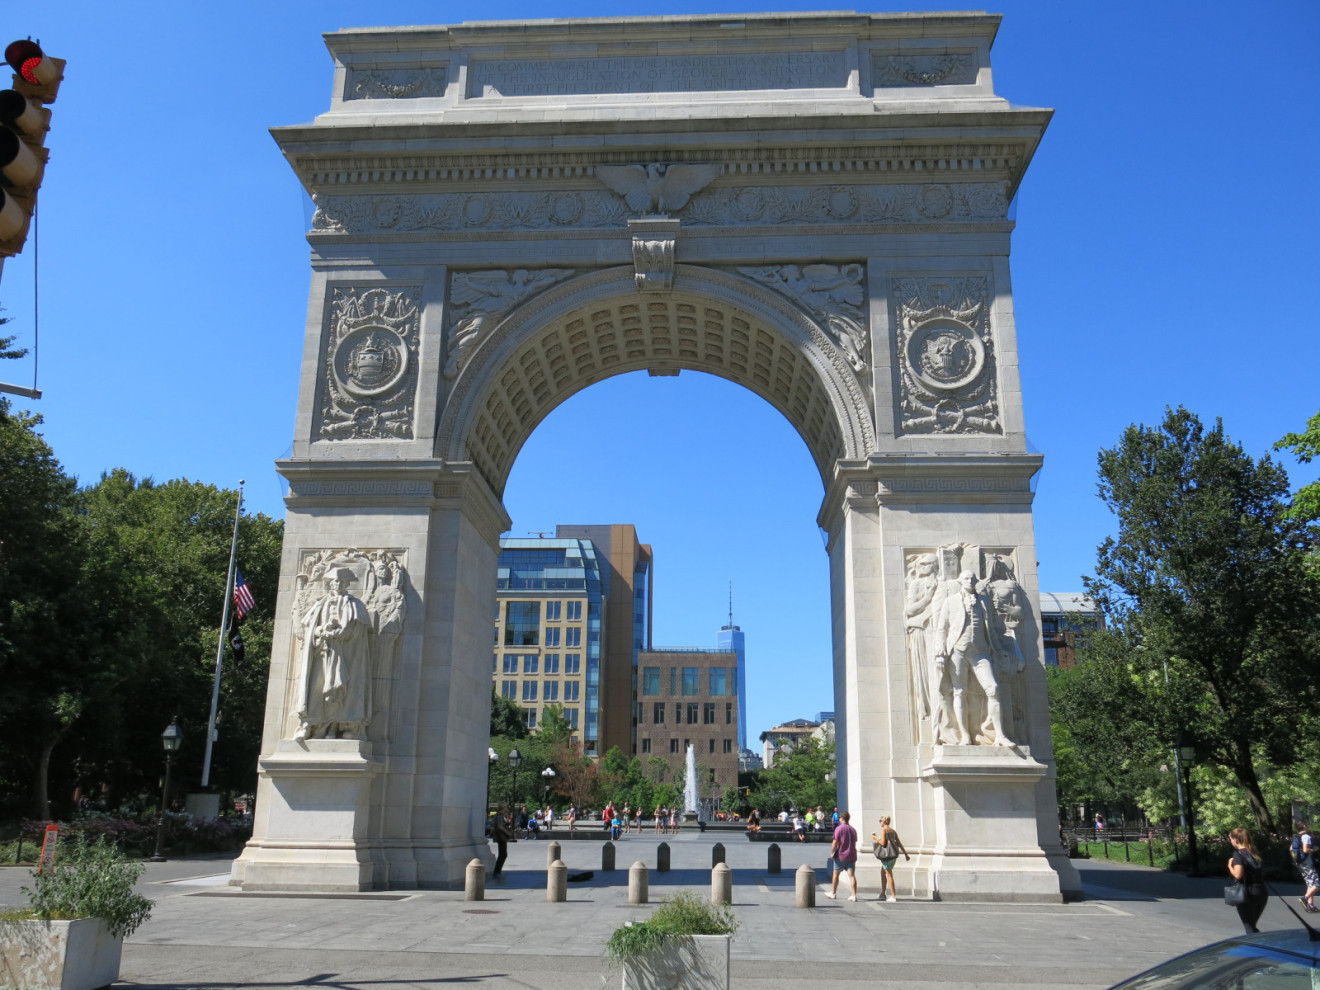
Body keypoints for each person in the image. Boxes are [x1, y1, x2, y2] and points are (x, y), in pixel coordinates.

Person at [1227, 827, 1268, 933]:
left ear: (1235, 840)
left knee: (1249, 927)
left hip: (1247, 894)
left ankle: (1257, 948)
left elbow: (1238, 875)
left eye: (1231, 839)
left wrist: (1230, 866)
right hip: (1261, 892)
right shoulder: (1255, 853)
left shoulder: (1238, 854)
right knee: (1252, 925)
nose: (1230, 841)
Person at [871, 815, 911, 902]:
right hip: (893, 855)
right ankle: (883, 893)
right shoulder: (893, 831)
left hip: (887, 855)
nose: (880, 822)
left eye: (880, 820)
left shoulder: (884, 830)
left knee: (888, 874)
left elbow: (883, 843)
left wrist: (875, 838)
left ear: (884, 822)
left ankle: (893, 895)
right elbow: (899, 843)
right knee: (883, 872)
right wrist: (905, 854)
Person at [826, 810, 859, 901]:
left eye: (840, 817)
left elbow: (835, 842)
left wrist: (832, 852)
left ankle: (833, 892)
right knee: (851, 875)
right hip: (851, 854)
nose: (839, 818)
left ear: (842, 818)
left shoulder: (839, 829)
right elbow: (855, 840)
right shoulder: (853, 829)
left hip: (841, 855)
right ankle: (854, 895)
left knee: (836, 874)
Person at [1296, 822, 1318, 912]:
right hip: (1307, 863)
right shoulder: (1306, 837)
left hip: (1300, 863)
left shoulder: (1296, 837)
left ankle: (1311, 906)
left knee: (1310, 883)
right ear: (1304, 827)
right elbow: (1305, 850)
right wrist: (1314, 849)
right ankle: (1304, 898)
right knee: (1316, 884)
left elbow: (1291, 849)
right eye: (1307, 825)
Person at [490, 812, 512, 879]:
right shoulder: (499, 815)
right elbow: (500, 826)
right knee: (503, 854)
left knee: (503, 854)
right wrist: (507, 832)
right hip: (500, 836)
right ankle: (497, 871)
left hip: (501, 836)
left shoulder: (501, 815)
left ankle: (497, 871)